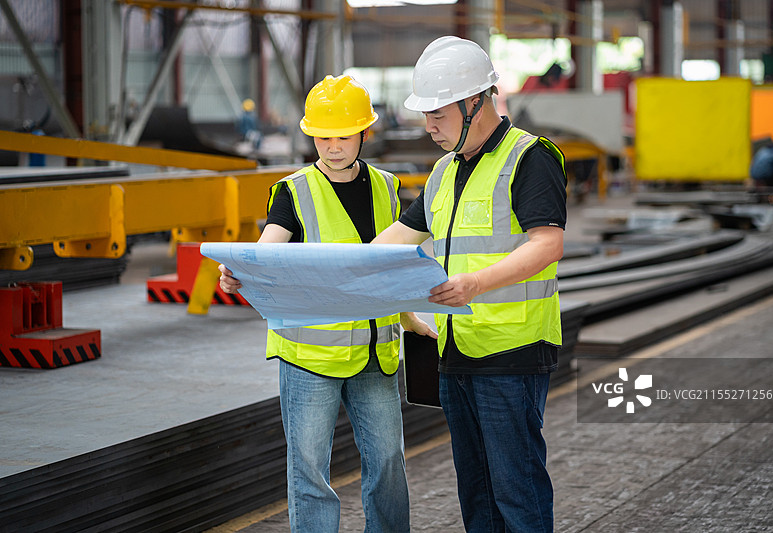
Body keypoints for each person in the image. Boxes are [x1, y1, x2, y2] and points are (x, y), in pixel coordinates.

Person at [218, 75, 434, 532]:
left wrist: (411, 320)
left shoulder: (387, 188)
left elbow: (392, 267)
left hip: (377, 354)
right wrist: (239, 273)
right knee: (311, 473)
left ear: (363, 134)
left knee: (389, 465)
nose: (332, 147)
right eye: (322, 137)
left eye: (342, 136)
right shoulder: (293, 192)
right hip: (310, 359)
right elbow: (265, 251)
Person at [372, 36, 567, 532]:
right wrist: (307, 271)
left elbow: (547, 244)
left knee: (515, 489)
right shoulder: (444, 172)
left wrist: (475, 283)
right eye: (427, 114)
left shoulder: (530, 158)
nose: (429, 125)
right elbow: (394, 239)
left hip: (512, 352)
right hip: (456, 351)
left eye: (438, 113)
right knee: (477, 493)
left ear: (477, 102)